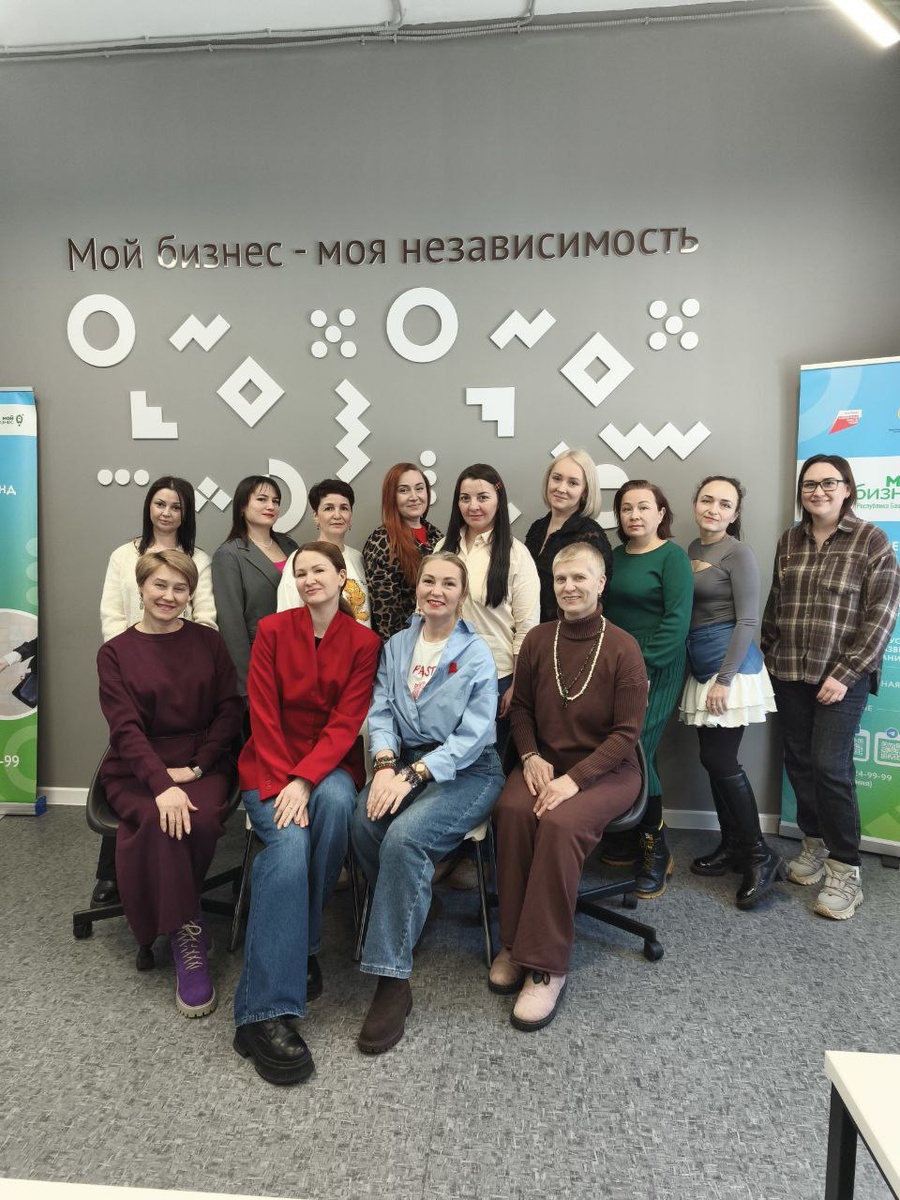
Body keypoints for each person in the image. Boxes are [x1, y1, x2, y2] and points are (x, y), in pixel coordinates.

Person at [233, 542, 381, 1085]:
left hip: (328, 766)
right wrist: (284, 781)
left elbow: (346, 722)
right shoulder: (273, 631)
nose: (309, 578)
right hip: (269, 765)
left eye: (320, 569)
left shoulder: (364, 642)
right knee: (291, 845)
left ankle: (303, 944)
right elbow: (263, 713)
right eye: (301, 572)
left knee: (339, 802)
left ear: (342, 577)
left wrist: (306, 779)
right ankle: (263, 1011)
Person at [490, 542, 648, 1031]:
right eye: (561, 579)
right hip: (544, 761)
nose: (569, 587)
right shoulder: (539, 640)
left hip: (607, 771)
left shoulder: (623, 647)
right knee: (512, 811)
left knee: (558, 824)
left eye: (580, 577)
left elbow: (626, 735)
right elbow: (521, 710)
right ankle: (514, 943)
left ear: (601, 583)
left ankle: (546, 965)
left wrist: (575, 781)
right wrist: (530, 756)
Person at [351, 552, 503, 1054]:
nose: (437, 591)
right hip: (404, 763)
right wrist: (386, 765)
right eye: (429, 581)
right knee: (363, 821)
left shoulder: (476, 653)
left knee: (404, 837)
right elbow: (380, 709)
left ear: (462, 595)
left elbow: (474, 736)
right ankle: (413, 900)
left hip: (468, 771)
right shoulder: (397, 645)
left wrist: (414, 775)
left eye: (448, 584)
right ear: (417, 588)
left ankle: (392, 979)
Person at [96, 550, 243, 1018]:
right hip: (137, 765)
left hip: (202, 760)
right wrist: (161, 784)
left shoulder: (208, 642)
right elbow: (124, 729)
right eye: (160, 585)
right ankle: (187, 930)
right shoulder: (115, 653)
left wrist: (197, 767)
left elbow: (230, 711)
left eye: (180, 588)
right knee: (162, 822)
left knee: (198, 821)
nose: (169, 596)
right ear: (141, 587)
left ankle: (181, 920)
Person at [761, 454, 900, 920]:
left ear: (847, 489)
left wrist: (847, 673)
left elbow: (882, 614)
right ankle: (815, 843)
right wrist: (766, 656)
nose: (817, 491)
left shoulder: (871, 540)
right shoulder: (789, 540)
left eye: (828, 483)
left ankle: (845, 867)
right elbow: (776, 603)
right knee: (799, 762)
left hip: (842, 676)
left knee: (830, 767)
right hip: (789, 671)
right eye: (809, 484)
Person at [93, 475, 218, 908]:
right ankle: (113, 876)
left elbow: (206, 616)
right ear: (149, 506)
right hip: (134, 673)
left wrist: (181, 655)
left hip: (183, 672)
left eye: (176, 506)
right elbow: (111, 614)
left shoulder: (198, 559)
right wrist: (135, 656)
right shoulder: (123, 555)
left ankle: (166, 901)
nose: (166, 512)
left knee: (182, 809)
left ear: (186, 514)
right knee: (132, 756)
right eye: (160, 503)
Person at [678, 476, 783, 909]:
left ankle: (759, 854)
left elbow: (748, 621)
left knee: (721, 759)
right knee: (711, 758)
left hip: (730, 670)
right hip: (701, 663)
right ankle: (734, 845)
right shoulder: (691, 548)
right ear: (695, 504)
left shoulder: (739, 553)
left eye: (725, 504)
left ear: (735, 513)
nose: (714, 509)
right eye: (707, 500)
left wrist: (724, 679)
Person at [603, 479, 693, 899]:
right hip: (615, 666)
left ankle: (657, 849)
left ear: (661, 514)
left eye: (643, 507)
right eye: (626, 508)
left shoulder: (673, 557)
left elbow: (677, 621)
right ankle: (627, 836)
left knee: (636, 745)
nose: (634, 515)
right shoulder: (614, 557)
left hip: (658, 665)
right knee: (619, 745)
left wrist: (644, 666)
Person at [437, 463, 540, 757]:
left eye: (483, 497)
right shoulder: (443, 548)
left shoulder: (516, 554)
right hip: (447, 673)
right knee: (447, 758)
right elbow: (425, 612)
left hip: (497, 677)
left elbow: (527, 627)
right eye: (465, 498)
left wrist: (517, 686)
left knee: (488, 761)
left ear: (498, 500)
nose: (473, 506)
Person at [212, 475, 299, 697]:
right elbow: (232, 626)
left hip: (298, 656)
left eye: (276, 501)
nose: (271, 506)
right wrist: (247, 685)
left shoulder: (290, 545)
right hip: (260, 659)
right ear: (242, 506)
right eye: (262, 499)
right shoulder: (229, 554)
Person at [524, 448, 614, 623]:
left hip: (569, 632)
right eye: (557, 478)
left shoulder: (589, 535)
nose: (561, 488)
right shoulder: (537, 528)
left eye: (573, 483)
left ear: (585, 491)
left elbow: (596, 600)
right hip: (532, 630)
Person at [363, 462, 442, 642]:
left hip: (441, 642)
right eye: (404, 490)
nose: (414, 497)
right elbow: (386, 614)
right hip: (405, 646)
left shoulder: (438, 537)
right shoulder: (383, 541)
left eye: (419, 488)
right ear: (391, 496)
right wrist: (402, 650)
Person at [276, 478, 371, 625]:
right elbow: (286, 618)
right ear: (316, 516)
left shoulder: (358, 558)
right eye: (329, 508)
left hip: (361, 639)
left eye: (344, 508)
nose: (337, 515)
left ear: (350, 516)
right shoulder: (300, 558)